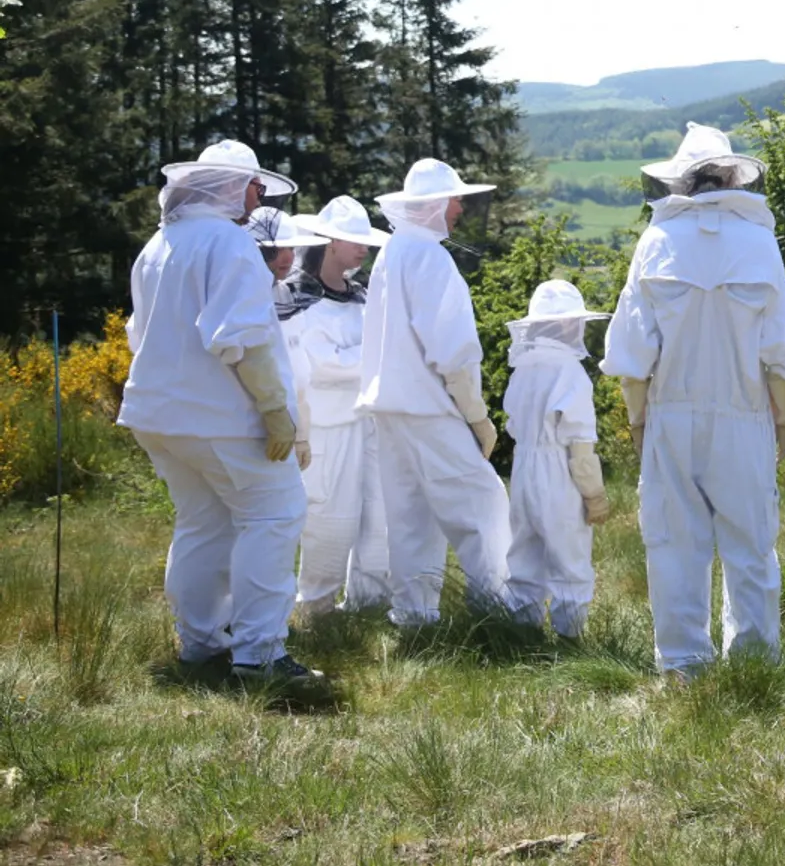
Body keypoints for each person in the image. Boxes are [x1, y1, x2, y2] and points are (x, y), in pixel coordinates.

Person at [602, 123, 785, 676]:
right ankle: (753, 666)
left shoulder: (656, 241)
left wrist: (638, 420)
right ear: (728, 177)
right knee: (750, 544)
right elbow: (783, 346)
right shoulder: (758, 241)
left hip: (670, 413)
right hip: (746, 416)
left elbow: (630, 349)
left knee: (674, 544)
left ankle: (682, 666)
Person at [116, 140, 323, 690]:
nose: (259, 195)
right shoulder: (229, 243)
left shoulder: (158, 244)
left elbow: (139, 332)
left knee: (202, 523)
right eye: (255, 184)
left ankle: (202, 645)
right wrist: (277, 411)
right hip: (220, 417)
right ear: (231, 186)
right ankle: (260, 655)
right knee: (274, 513)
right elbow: (240, 338)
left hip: (157, 414)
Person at [357, 158, 511, 625]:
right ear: (435, 204)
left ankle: (414, 616)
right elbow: (453, 349)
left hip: (390, 407)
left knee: (410, 518)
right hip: (428, 406)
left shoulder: (393, 251)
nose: (461, 207)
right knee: (482, 505)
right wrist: (477, 415)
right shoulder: (429, 256)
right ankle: (498, 612)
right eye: (456, 198)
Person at [284, 196, 391, 620]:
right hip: (327, 425)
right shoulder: (300, 299)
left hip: (368, 420)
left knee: (378, 515)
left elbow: (354, 359)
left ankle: (369, 602)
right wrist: (378, 351)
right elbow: (323, 364)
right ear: (328, 240)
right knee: (331, 518)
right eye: (352, 240)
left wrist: (366, 356)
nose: (362, 248)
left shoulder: (361, 296)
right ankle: (317, 608)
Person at [502, 279, 611, 639]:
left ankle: (521, 635)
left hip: (523, 470)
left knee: (525, 554)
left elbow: (514, 424)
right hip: (558, 473)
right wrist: (594, 496)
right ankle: (569, 640)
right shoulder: (570, 372)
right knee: (570, 560)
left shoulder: (523, 369)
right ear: (567, 324)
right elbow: (580, 445)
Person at [244, 207, 327, 319]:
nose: (288, 258)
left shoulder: (287, 295)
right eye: (279, 249)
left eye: (291, 248)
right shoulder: (237, 291)